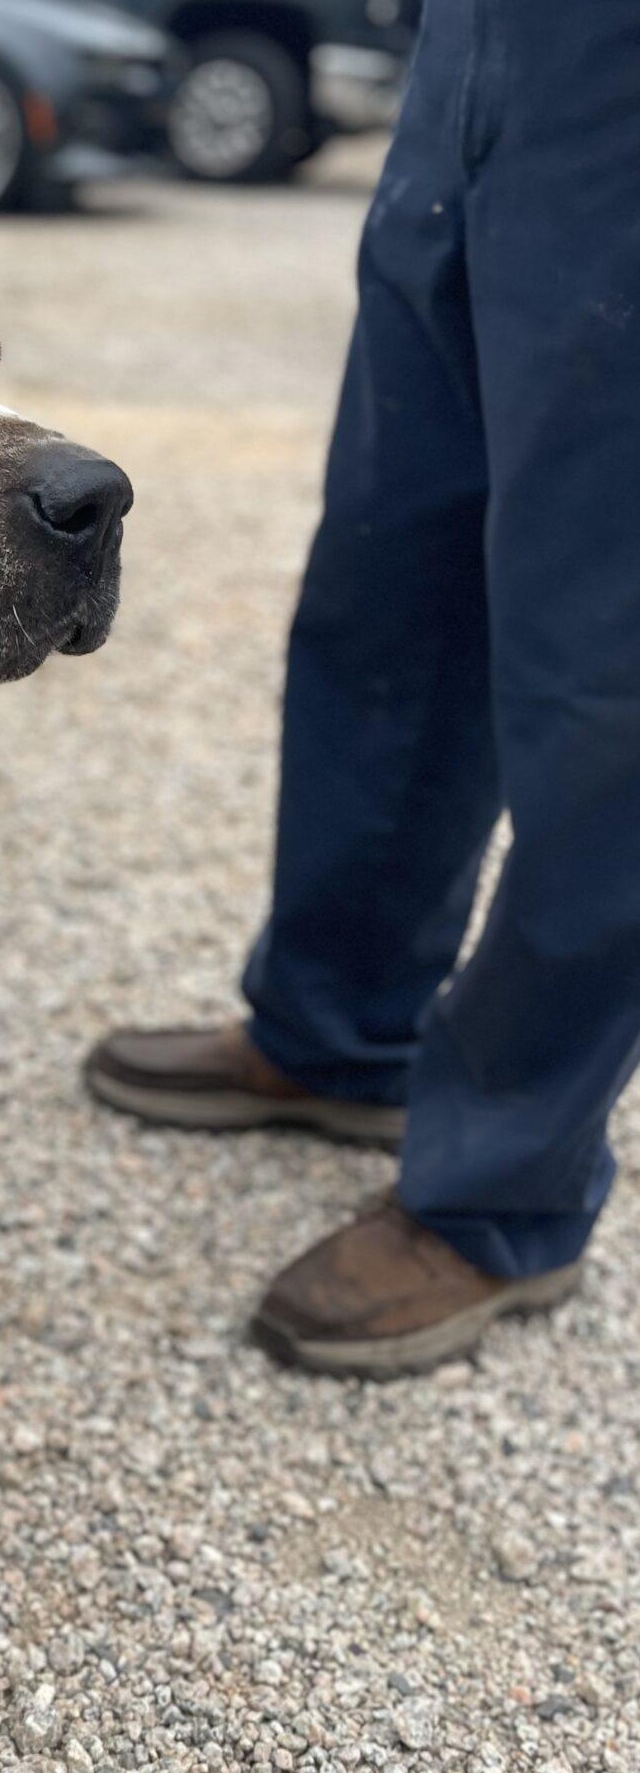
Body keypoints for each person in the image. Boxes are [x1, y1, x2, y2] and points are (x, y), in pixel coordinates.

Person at [85, 0, 640, 1377]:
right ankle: (341, 1028)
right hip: (488, 43)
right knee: (393, 575)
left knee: (606, 666)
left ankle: (509, 1188)